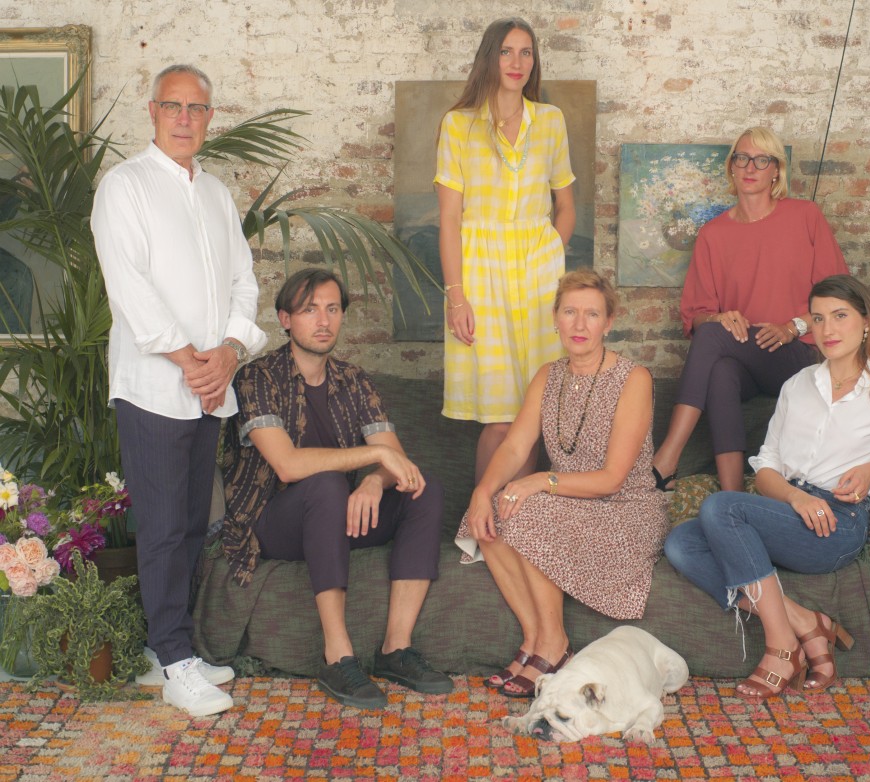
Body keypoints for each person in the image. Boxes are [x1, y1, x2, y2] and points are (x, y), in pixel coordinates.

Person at [92, 64, 267, 717]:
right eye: (175, 105)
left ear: (209, 117)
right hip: (153, 388)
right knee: (163, 528)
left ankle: (172, 650)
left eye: (198, 108)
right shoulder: (125, 186)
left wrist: (228, 351)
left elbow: (244, 283)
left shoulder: (217, 194)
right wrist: (187, 358)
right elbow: (128, 284)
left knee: (193, 521)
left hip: (208, 387)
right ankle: (172, 660)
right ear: (153, 109)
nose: (186, 118)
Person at [664, 274, 870, 703]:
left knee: (719, 509)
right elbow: (767, 468)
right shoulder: (797, 386)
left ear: (865, 323)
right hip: (788, 508)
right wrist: (795, 496)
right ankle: (804, 622)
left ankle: (781, 649)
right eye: (818, 319)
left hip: (837, 523)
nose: (828, 330)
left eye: (840, 316)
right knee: (681, 543)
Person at [220, 268, 453, 710]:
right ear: (285, 319)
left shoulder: (354, 381)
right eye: (309, 310)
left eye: (332, 309)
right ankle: (337, 656)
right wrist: (371, 459)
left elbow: (395, 462)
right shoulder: (257, 379)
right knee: (324, 483)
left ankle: (395, 650)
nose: (323, 321)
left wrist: (373, 481)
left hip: (340, 515)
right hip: (272, 521)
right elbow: (288, 466)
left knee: (423, 488)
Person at [457, 269, 669, 698]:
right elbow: (515, 447)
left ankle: (553, 646)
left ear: (609, 323)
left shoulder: (634, 379)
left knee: (528, 509)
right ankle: (536, 641)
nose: (579, 324)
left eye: (592, 314)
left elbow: (611, 479)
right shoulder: (547, 376)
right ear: (555, 318)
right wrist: (482, 492)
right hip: (567, 501)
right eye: (569, 312)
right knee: (493, 511)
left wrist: (539, 480)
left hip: (625, 509)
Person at [650, 127, 848, 493]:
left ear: (777, 170)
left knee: (713, 341)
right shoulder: (713, 234)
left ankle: (666, 458)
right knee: (721, 369)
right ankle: (733, 496)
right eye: (741, 158)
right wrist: (719, 317)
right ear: (731, 168)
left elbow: (840, 298)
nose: (750, 167)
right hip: (743, 360)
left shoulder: (806, 216)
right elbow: (697, 315)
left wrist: (794, 325)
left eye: (762, 159)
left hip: (796, 354)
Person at [436, 17, 576, 483]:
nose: (517, 63)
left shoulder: (550, 121)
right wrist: (457, 297)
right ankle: (483, 522)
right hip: (481, 277)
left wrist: (548, 253)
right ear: (489, 58)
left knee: (534, 415)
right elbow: (450, 221)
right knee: (499, 417)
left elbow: (566, 205)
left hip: (539, 279)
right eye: (507, 52)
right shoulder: (458, 126)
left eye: (527, 53)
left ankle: (521, 525)